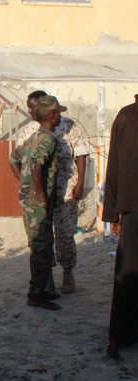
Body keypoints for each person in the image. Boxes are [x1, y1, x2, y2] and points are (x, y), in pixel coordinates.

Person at [19, 90, 89, 294]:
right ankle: (47, 278)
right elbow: (19, 162)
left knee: (65, 234)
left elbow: (82, 154)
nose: (30, 111)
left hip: (66, 191)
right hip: (41, 196)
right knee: (41, 236)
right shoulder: (29, 132)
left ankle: (68, 273)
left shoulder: (69, 126)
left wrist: (80, 183)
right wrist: (32, 189)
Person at [10, 95, 63, 310]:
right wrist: (40, 192)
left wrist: (25, 185)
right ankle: (36, 294)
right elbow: (36, 166)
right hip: (37, 204)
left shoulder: (33, 137)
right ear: (52, 116)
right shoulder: (48, 139)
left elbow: (13, 159)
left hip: (30, 200)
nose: (61, 116)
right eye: (59, 113)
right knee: (41, 249)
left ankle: (40, 291)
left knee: (40, 246)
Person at [103, 94, 138, 361]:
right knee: (127, 272)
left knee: (127, 273)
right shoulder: (126, 116)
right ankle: (118, 337)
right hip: (131, 209)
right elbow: (114, 167)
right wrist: (113, 213)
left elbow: (112, 167)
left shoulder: (125, 116)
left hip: (130, 209)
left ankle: (119, 337)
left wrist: (113, 213)